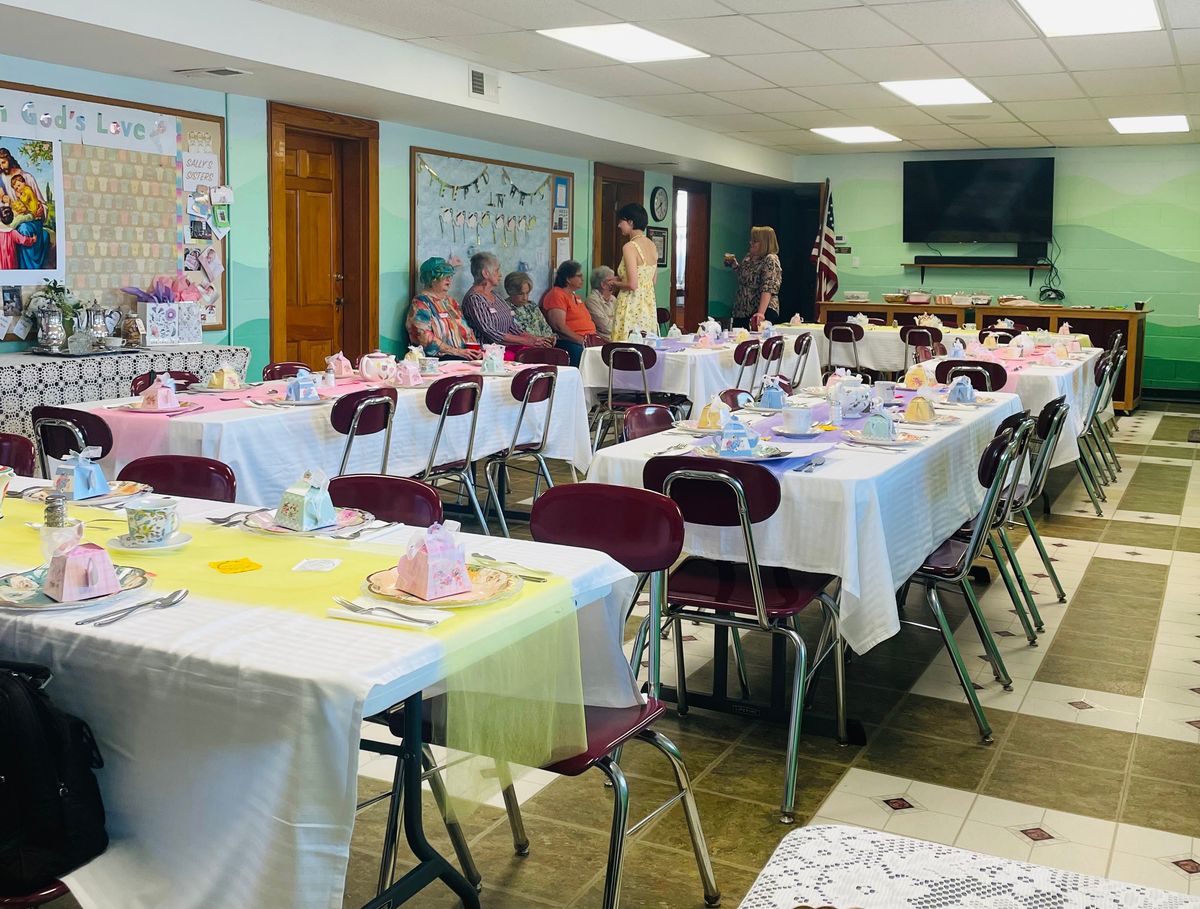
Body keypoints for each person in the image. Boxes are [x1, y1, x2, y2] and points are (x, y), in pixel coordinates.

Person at [460, 252, 552, 349]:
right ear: (485, 273)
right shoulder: (474, 299)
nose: (500, 275)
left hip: (505, 348)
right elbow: (490, 331)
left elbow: (512, 326)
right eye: (497, 271)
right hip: (489, 352)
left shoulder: (495, 295)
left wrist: (536, 339)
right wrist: (525, 341)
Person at [406, 256, 482, 360]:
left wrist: (475, 351)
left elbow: (466, 329)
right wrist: (456, 352)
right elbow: (423, 337)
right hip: (439, 360)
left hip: (463, 356)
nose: (449, 279)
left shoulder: (451, 302)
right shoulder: (421, 303)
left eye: (450, 275)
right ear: (431, 278)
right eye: (444, 275)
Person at [609, 202, 658, 339]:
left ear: (630, 222)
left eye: (621, 221)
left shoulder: (630, 247)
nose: (619, 225)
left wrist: (614, 284)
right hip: (647, 306)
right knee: (645, 346)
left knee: (625, 345)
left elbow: (632, 284)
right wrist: (619, 279)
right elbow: (651, 280)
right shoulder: (652, 245)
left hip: (630, 304)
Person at [541, 260, 599, 367]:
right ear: (568, 279)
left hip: (589, 340)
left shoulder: (575, 296)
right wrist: (582, 341)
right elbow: (559, 327)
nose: (582, 279)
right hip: (571, 342)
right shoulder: (557, 294)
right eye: (579, 276)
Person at [729, 225, 783, 329]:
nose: (751, 243)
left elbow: (768, 287)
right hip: (742, 310)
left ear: (764, 243)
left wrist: (761, 313)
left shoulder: (770, 259)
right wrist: (735, 266)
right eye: (751, 240)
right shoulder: (748, 258)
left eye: (755, 241)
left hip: (759, 310)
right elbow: (743, 278)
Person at [505, 271, 555, 341]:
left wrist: (550, 340)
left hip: (544, 345)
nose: (525, 298)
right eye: (520, 294)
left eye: (527, 293)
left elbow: (545, 328)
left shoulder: (532, 306)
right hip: (524, 348)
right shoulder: (504, 309)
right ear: (510, 292)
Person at [585, 266, 617, 338]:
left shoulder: (613, 299)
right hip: (604, 341)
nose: (616, 283)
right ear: (603, 284)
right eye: (612, 280)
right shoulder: (592, 300)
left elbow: (623, 320)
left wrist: (610, 318)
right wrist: (614, 319)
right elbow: (606, 327)